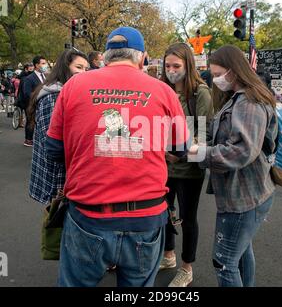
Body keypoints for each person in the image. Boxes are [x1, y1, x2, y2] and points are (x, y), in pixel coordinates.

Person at [45, 26, 189, 287]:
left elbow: (53, 150)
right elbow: (180, 148)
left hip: (88, 214)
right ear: (143, 58)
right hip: (146, 217)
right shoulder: (164, 92)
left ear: (106, 57)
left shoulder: (74, 86)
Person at [188, 44, 278, 287]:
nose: (216, 80)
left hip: (243, 197)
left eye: (218, 74)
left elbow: (241, 151)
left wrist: (200, 153)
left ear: (234, 70)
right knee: (240, 253)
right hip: (246, 193)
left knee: (224, 262)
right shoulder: (239, 98)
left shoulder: (248, 102)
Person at [159, 42, 213, 287]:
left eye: (176, 65)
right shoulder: (162, 89)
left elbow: (205, 133)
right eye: (168, 65)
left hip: (189, 168)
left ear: (188, 65)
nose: (171, 70)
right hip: (163, 166)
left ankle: (186, 267)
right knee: (164, 213)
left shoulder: (200, 92)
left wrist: (180, 153)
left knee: (188, 218)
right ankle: (168, 255)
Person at [28, 49, 89, 205]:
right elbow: (52, 142)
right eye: (79, 67)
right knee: (56, 224)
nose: (83, 73)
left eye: (86, 69)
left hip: (64, 175)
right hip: (56, 178)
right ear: (65, 67)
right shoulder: (54, 95)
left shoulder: (68, 91)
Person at [22, 56, 48, 147]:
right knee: (31, 122)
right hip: (32, 105)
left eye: (45, 63)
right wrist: (37, 99)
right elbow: (27, 93)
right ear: (37, 65)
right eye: (43, 63)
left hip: (43, 105)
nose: (46, 65)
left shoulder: (45, 76)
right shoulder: (29, 78)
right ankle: (28, 139)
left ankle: (38, 140)